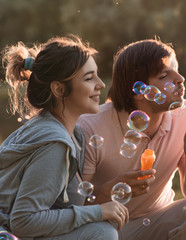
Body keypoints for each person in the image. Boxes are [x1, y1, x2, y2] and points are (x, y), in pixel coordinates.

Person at [77, 39, 186, 239]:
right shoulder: (90, 126)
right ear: (139, 92)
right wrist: (110, 191)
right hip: (103, 228)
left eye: (176, 69)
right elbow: (73, 204)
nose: (180, 78)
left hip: (156, 222)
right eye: (164, 75)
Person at [0, 35, 129, 240]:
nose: (100, 85)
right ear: (59, 89)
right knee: (102, 233)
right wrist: (98, 211)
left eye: (97, 75)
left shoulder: (64, 131)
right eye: (89, 78)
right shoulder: (55, 144)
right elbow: (23, 221)